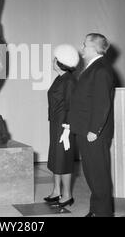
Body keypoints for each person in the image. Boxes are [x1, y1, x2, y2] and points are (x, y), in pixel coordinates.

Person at [64, 33, 115, 217]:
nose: (82, 47)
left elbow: (102, 103)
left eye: (85, 44)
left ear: (93, 48)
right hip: (85, 130)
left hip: (93, 132)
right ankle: (96, 210)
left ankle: (103, 214)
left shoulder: (100, 70)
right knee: (92, 173)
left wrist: (94, 130)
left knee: (98, 174)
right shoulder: (93, 68)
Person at [44, 44, 79, 208]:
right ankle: (57, 190)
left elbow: (73, 107)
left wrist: (67, 129)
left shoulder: (70, 81)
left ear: (61, 62)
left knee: (63, 159)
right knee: (56, 158)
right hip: (56, 124)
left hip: (64, 126)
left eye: (55, 58)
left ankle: (67, 195)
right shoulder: (60, 78)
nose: (53, 61)